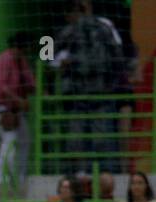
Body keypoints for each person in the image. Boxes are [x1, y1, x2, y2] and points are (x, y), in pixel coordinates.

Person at [54, 0, 122, 164]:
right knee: (76, 139)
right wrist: (59, 63)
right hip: (77, 93)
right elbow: (45, 53)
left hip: (99, 91)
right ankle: (80, 172)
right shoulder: (67, 31)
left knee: (100, 139)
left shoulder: (104, 26)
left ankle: (101, 173)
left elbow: (118, 53)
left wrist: (112, 78)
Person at [0, 31, 35, 186]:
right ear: (17, 47)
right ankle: (1, 179)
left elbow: (31, 83)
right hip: (2, 107)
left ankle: (20, 177)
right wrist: (19, 100)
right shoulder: (4, 59)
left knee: (24, 140)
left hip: (17, 109)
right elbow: (1, 87)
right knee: (8, 141)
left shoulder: (22, 61)